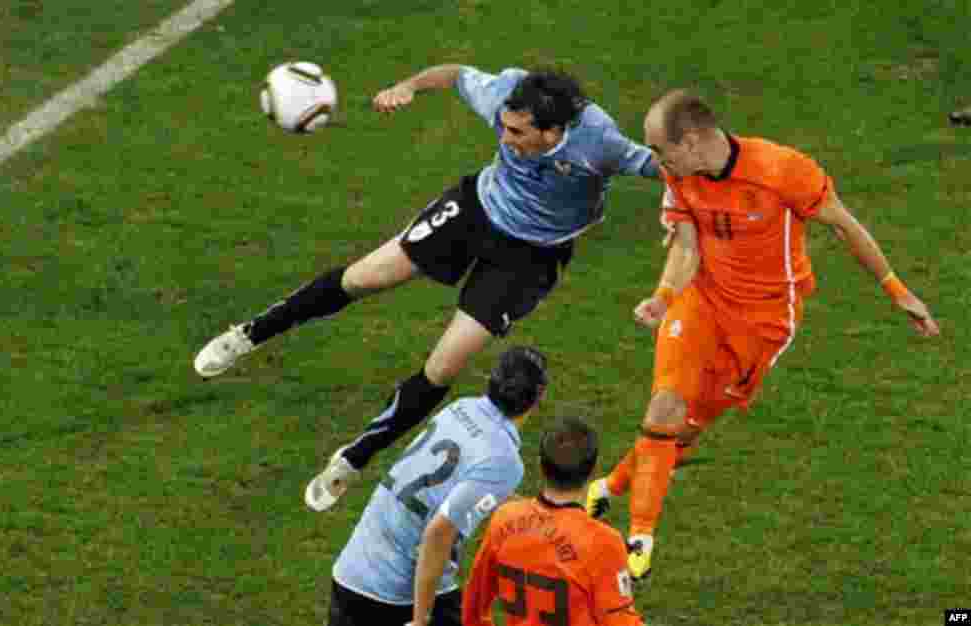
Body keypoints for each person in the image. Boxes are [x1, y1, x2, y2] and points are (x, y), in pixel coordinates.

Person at [193, 63, 658, 511]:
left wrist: (686, 213)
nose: (505, 138)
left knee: (443, 365)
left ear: (552, 133)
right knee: (362, 278)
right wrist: (410, 86)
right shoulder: (508, 95)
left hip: (531, 257)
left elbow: (661, 166)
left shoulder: (600, 142)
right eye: (504, 128)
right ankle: (248, 335)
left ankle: (352, 460)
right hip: (475, 209)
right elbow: (455, 74)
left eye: (517, 134)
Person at [584, 89, 941, 583]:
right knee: (665, 405)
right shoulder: (677, 173)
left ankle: (611, 486)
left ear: (689, 142)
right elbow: (687, 245)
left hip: (763, 322)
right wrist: (664, 297)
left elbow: (844, 225)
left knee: (684, 430)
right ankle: (640, 537)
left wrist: (897, 289)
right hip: (702, 300)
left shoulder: (781, 170)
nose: (654, 160)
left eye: (661, 149)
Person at [325, 346, 548, 626]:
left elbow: (464, 485)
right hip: (393, 592)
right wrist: (421, 619)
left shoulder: (462, 408)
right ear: (538, 397)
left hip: (353, 568)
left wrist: (538, 511)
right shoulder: (504, 459)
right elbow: (438, 534)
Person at [463, 416, 646, 626]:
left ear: (540, 465)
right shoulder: (604, 542)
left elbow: (474, 605)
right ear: (592, 472)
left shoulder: (504, 520)